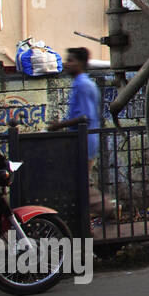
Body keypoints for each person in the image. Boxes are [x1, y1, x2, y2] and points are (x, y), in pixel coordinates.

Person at [47, 47, 113, 227]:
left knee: (79, 186)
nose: (67, 64)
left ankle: (107, 208)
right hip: (84, 142)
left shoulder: (82, 85)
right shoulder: (84, 83)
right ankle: (86, 224)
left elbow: (84, 116)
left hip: (83, 142)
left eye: (71, 61)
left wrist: (57, 126)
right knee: (79, 183)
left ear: (81, 64)